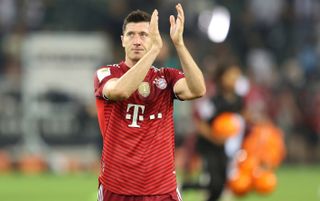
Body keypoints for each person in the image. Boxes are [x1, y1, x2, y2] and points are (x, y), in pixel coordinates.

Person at [93, 4, 206, 201]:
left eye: (144, 35)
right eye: (131, 34)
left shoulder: (166, 77)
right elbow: (120, 91)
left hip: (162, 188)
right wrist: (153, 51)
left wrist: (179, 44)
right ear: (122, 40)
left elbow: (198, 89)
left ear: (153, 38)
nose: (137, 41)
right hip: (118, 187)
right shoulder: (107, 73)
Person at [192, 62, 245, 201]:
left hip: (228, 147)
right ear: (221, 78)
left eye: (237, 76)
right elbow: (200, 124)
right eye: (231, 76)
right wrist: (215, 137)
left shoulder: (239, 100)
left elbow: (242, 118)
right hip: (210, 146)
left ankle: (187, 187)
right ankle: (186, 186)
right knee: (214, 183)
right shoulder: (214, 101)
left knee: (223, 183)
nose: (234, 79)